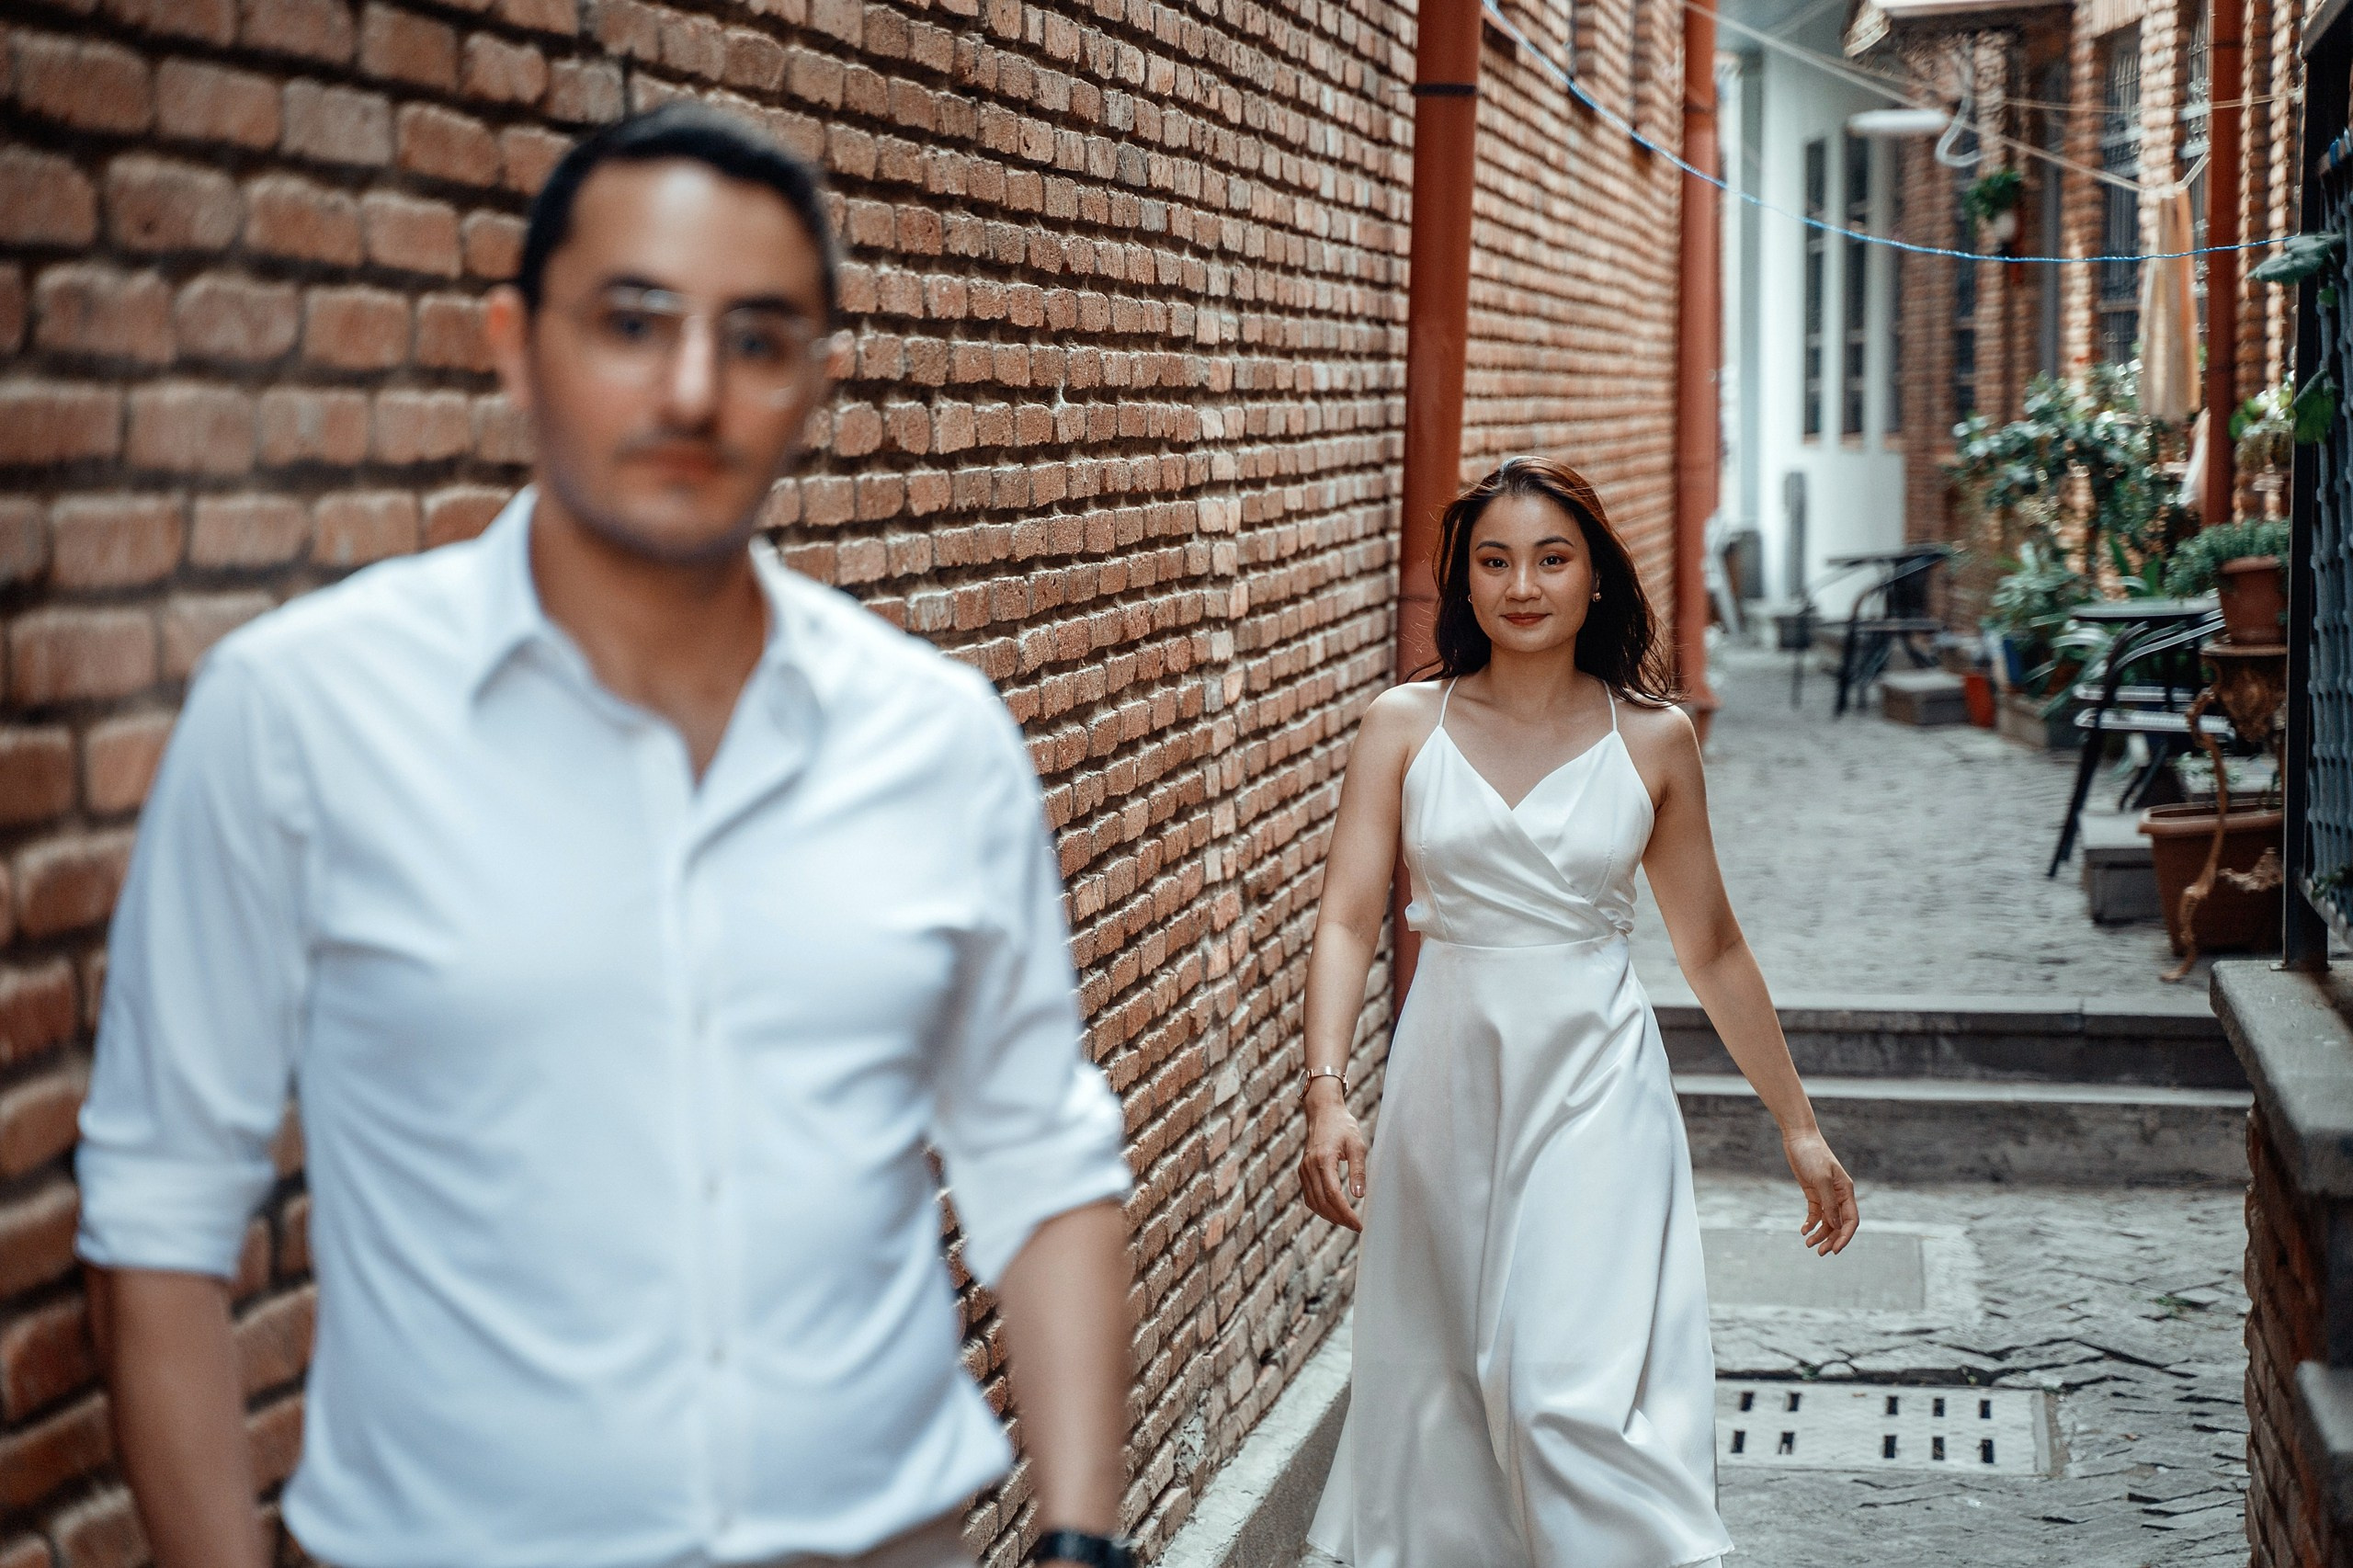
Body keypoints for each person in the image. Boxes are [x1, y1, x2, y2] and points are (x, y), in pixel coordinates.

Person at [75, 104, 1139, 1568]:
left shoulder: (938, 737)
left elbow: (1039, 1153)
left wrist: (1082, 1537)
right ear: (517, 344)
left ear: (819, 379)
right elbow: (158, 1211)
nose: (693, 389)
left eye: (759, 337)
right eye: (634, 322)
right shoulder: (299, 718)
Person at [1297, 457, 1859, 1568]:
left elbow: (1710, 943)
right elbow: (1348, 919)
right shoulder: (1402, 724)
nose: (1522, 584)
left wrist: (1796, 1122)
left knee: (1562, 1391)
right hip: (1446, 1082)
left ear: (1594, 575)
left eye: (1551, 558)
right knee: (1450, 1385)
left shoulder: (1651, 737)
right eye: (1493, 561)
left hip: (1596, 1083)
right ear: (1463, 582)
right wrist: (1325, 1091)